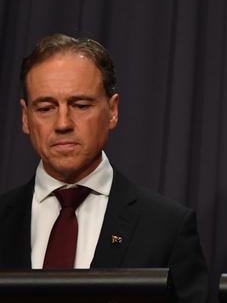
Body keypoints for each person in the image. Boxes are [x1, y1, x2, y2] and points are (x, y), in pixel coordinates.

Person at [0, 33, 209, 302]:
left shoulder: (166, 228)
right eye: (45, 108)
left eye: (80, 105)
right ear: (25, 118)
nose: (63, 123)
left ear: (112, 111)